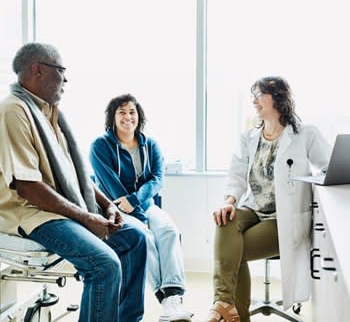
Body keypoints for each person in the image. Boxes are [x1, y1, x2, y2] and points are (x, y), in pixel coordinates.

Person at [0, 43, 147, 322]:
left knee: (135, 239)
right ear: (37, 70)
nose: (65, 79)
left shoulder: (50, 114)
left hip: (57, 208)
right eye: (61, 71)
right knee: (103, 265)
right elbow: (27, 186)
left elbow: (74, 176)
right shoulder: (13, 111)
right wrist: (87, 218)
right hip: (32, 213)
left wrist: (108, 207)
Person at [205, 76, 331, 322]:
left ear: (278, 98)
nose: (253, 100)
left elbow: (328, 167)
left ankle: (226, 309)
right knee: (224, 219)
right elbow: (237, 175)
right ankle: (225, 304)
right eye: (252, 95)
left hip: (283, 216)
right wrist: (229, 201)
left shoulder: (305, 134)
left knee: (233, 252)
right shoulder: (248, 138)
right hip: (252, 208)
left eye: (259, 94)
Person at [89, 94, 193, 322]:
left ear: (139, 116)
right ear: (113, 117)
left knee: (168, 231)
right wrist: (135, 211)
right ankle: (162, 294)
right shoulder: (100, 146)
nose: (128, 117)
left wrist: (137, 201)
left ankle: (173, 299)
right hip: (115, 209)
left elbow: (157, 179)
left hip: (145, 205)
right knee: (144, 237)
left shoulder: (150, 144)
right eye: (122, 112)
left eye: (132, 112)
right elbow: (110, 186)